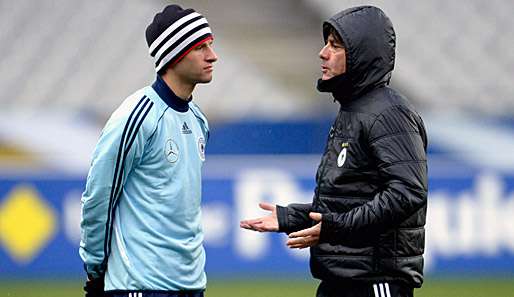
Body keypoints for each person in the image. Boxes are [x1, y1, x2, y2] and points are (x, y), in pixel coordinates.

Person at [240, 5, 427, 297]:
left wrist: (335, 228)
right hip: (340, 281)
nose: (323, 53)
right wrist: (294, 218)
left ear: (361, 55)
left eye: (335, 46)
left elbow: (407, 192)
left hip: (373, 283)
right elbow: (348, 200)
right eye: (326, 43)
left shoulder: (389, 112)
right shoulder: (352, 109)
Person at [79, 4, 217, 297]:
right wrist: (95, 269)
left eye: (211, 45)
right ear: (175, 55)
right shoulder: (137, 115)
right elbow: (98, 197)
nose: (212, 55)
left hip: (191, 285)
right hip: (140, 285)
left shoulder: (198, 119)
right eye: (200, 47)